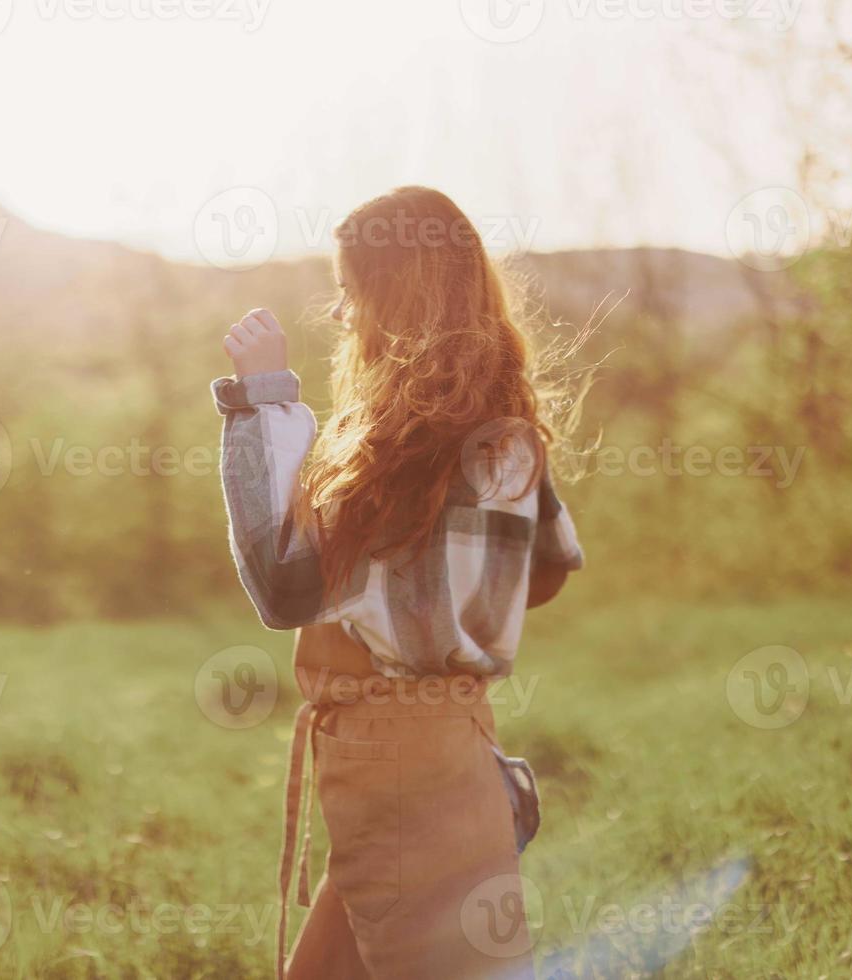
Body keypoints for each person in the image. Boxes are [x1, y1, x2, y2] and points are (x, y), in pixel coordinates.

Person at [211, 186, 585, 979]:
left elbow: (283, 591)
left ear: (394, 295)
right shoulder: (505, 431)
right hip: (448, 745)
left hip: (402, 766)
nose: (342, 317)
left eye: (352, 293)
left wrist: (263, 401)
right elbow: (548, 569)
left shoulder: (404, 453)